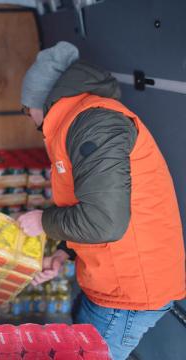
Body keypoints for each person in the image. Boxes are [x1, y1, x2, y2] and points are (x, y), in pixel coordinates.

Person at [17, 41, 185, 360]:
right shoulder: (77, 123)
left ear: (40, 101)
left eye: (25, 109)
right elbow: (90, 202)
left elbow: (103, 221)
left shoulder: (94, 123)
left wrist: (42, 221)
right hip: (112, 280)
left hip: (129, 291)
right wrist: (64, 255)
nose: (28, 118)